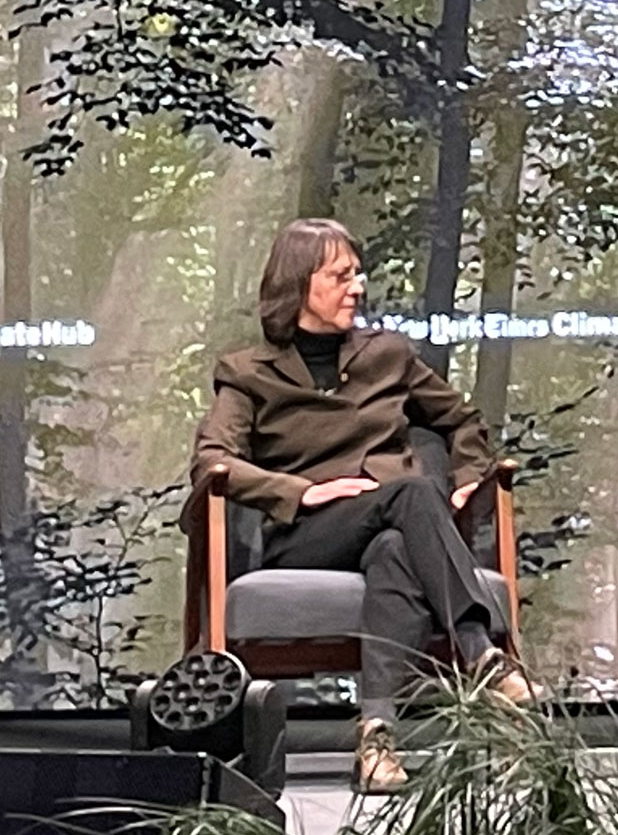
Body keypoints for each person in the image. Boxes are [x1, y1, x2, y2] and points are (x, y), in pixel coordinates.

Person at [181, 219, 533, 794]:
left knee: (398, 546)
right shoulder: (248, 372)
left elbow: (461, 420)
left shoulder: (386, 355)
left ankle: (376, 739)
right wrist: (300, 492)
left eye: (357, 273)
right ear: (300, 286)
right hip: (309, 536)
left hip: (390, 528)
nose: (357, 286)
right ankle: (480, 651)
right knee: (415, 491)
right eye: (340, 275)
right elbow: (214, 461)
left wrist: (470, 475)